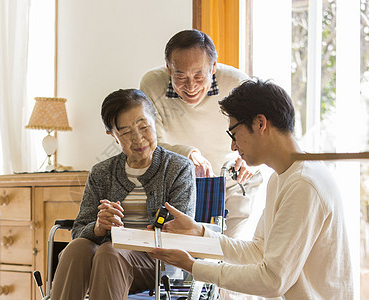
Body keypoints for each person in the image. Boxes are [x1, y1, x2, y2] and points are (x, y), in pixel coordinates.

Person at [149, 78, 354, 299]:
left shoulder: (304, 184)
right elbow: (258, 251)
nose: (233, 146)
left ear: (260, 123)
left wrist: (193, 266)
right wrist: (201, 233)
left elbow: (273, 280)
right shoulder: (282, 178)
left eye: (233, 134)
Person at [50, 89, 196, 300]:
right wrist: (99, 227)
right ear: (113, 136)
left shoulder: (178, 168)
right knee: (77, 248)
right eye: (126, 132)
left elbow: (180, 234)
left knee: (110, 251)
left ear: (154, 119)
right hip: (105, 260)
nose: (138, 139)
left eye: (144, 126)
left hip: (156, 264)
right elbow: (78, 231)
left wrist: (136, 236)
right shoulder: (102, 172)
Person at [140, 29, 263, 239]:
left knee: (230, 252)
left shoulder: (238, 84)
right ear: (169, 69)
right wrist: (187, 153)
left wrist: (251, 159)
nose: (190, 86)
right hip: (182, 184)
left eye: (199, 76)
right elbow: (149, 142)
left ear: (213, 67)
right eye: (181, 76)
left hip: (232, 182)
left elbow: (262, 132)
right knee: (183, 255)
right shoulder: (151, 84)